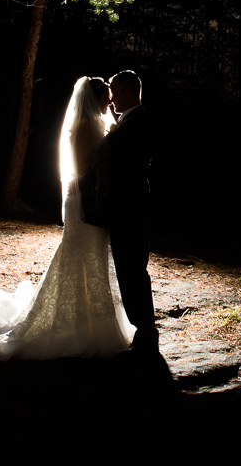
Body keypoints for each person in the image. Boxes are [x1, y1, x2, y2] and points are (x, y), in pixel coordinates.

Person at [0, 76, 135, 359]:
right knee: (79, 256)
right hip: (83, 203)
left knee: (93, 258)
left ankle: (92, 319)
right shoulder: (85, 126)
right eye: (106, 96)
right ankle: (74, 323)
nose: (111, 101)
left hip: (91, 201)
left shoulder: (97, 123)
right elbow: (85, 167)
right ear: (93, 98)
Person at [83, 70, 157, 353]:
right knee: (128, 267)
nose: (111, 98)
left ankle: (145, 328)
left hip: (131, 208)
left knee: (133, 267)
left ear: (128, 91)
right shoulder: (128, 121)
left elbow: (126, 166)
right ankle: (142, 324)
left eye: (114, 90)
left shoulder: (139, 122)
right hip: (124, 207)